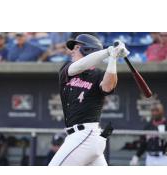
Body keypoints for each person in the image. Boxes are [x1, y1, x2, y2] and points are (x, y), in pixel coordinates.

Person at [48, 34, 129, 166]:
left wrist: (113, 58)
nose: (72, 50)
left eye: (77, 47)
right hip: (78, 137)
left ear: (88, 50)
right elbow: (80, 66)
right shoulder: (67, 68)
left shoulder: (99, 75)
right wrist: (108, 51)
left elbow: (108, 87)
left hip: (86, 135)